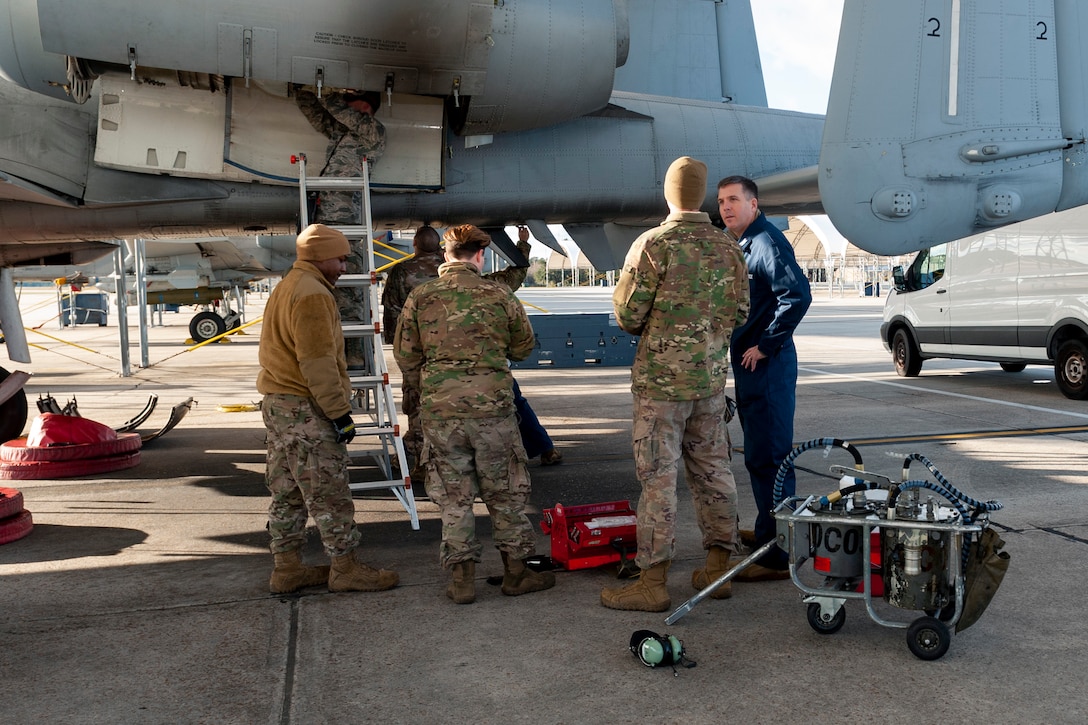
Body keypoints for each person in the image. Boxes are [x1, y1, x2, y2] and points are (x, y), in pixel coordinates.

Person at [600, 157, 749, 613]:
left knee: (658, 481)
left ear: (669, 194)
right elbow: (740, 314)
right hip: (708, 383)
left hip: (660, 390)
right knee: (714, 473)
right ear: (702, 195)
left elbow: (627, 316)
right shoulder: (728, 248)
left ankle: (653, 580)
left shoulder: (652, 244)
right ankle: (719, 569)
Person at [393, 224, 555, 605]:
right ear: (480, 255)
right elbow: (523, 348)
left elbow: (406, 355)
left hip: (441, 414)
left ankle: (462, 581)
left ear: (446, 255)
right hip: (493, 413)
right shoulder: (497, 294)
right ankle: (516, 573)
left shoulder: (421, 295)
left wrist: (435, 386)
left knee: (454, 498)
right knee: (505, 494)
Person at [258, 223, 399, 595]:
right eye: (339, 258)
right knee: (328, 492)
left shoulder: (289, 285)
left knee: (287, 491)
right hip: (305, 409)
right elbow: (317, 362)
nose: (343, 266)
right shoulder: (312, 295)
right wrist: (339, 413)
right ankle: (345, 567)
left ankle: (286, 568)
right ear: (321, 257)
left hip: (279, 405)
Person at [383, 226, 562, 473]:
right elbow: (522, 343)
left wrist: (416, 375)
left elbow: (397, 330)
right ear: (480, 255)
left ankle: (421, 465)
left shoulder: (408, 281)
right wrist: (523, 245)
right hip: (487, 378)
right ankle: (544, 448)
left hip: (433, 373)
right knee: (513, 408)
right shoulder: (493, 289)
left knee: (421, 417)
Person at [716, 175, 812, 581]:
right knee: (757, 455)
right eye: (721, 201)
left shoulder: (767, 243)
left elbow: (798, 296)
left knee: (772, 456)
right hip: (750, 366)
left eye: (734, 200)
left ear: (753, 204)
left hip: (767, 366)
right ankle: (768, 532)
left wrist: (766, 345)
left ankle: (779, 554)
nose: (726, 207)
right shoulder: (743, 245)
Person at [295, 86, 386, 368]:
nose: (345, 105)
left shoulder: (372, 130)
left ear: (364, 106)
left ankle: (355, 356)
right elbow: (316, 113)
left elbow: (335, 109)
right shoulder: (343, 132)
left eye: (351, 101)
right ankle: (336, 355)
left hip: (348, 221)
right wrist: (304, 90)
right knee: (332, 292)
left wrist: (325, 89)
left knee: (349, 293)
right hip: (328, 219)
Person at [381, 225, 446, 474]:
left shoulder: (402, 270)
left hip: (416, 352)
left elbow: (393, 309)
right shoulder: (449, 268)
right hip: (449, 351)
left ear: (415, 245)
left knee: (417, 403)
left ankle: (421, 463)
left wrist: (397, 345)